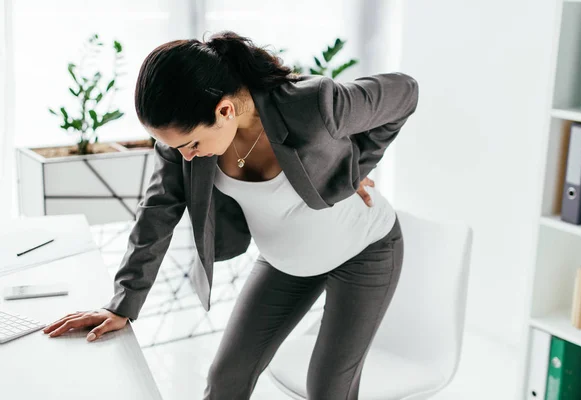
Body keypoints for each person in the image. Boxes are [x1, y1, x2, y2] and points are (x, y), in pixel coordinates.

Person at [43, 30, 418, 399]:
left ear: (224, 110)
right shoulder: (183, 141)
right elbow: (158, 210)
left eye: (190, 145)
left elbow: (404, 92)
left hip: (364, 251)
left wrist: (353, 168)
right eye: (174, 147)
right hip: (286, 262)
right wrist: (122, 304)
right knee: (225, 381)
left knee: (328, 389)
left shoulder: (312, 103)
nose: (184, 156)